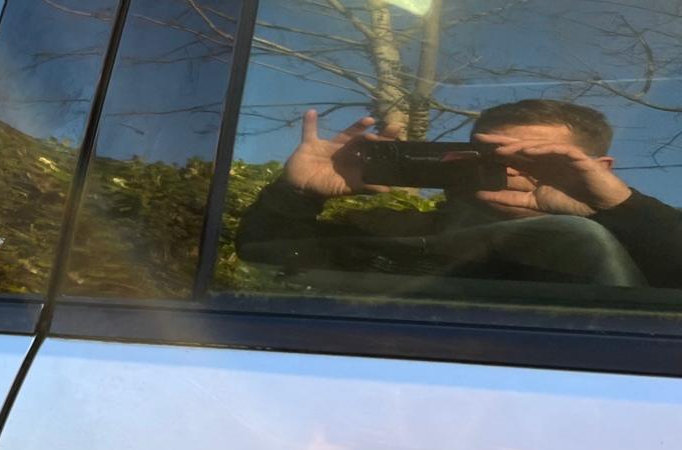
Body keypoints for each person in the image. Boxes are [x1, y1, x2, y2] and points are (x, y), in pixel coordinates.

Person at [236, 99, 682, 287]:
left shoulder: (649, 242)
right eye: (487, 154)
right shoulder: (398, 233)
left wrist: (620, 208)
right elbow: (265, 256)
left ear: (598, 170)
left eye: (535, 158)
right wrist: (298, 192)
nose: (507, 168)